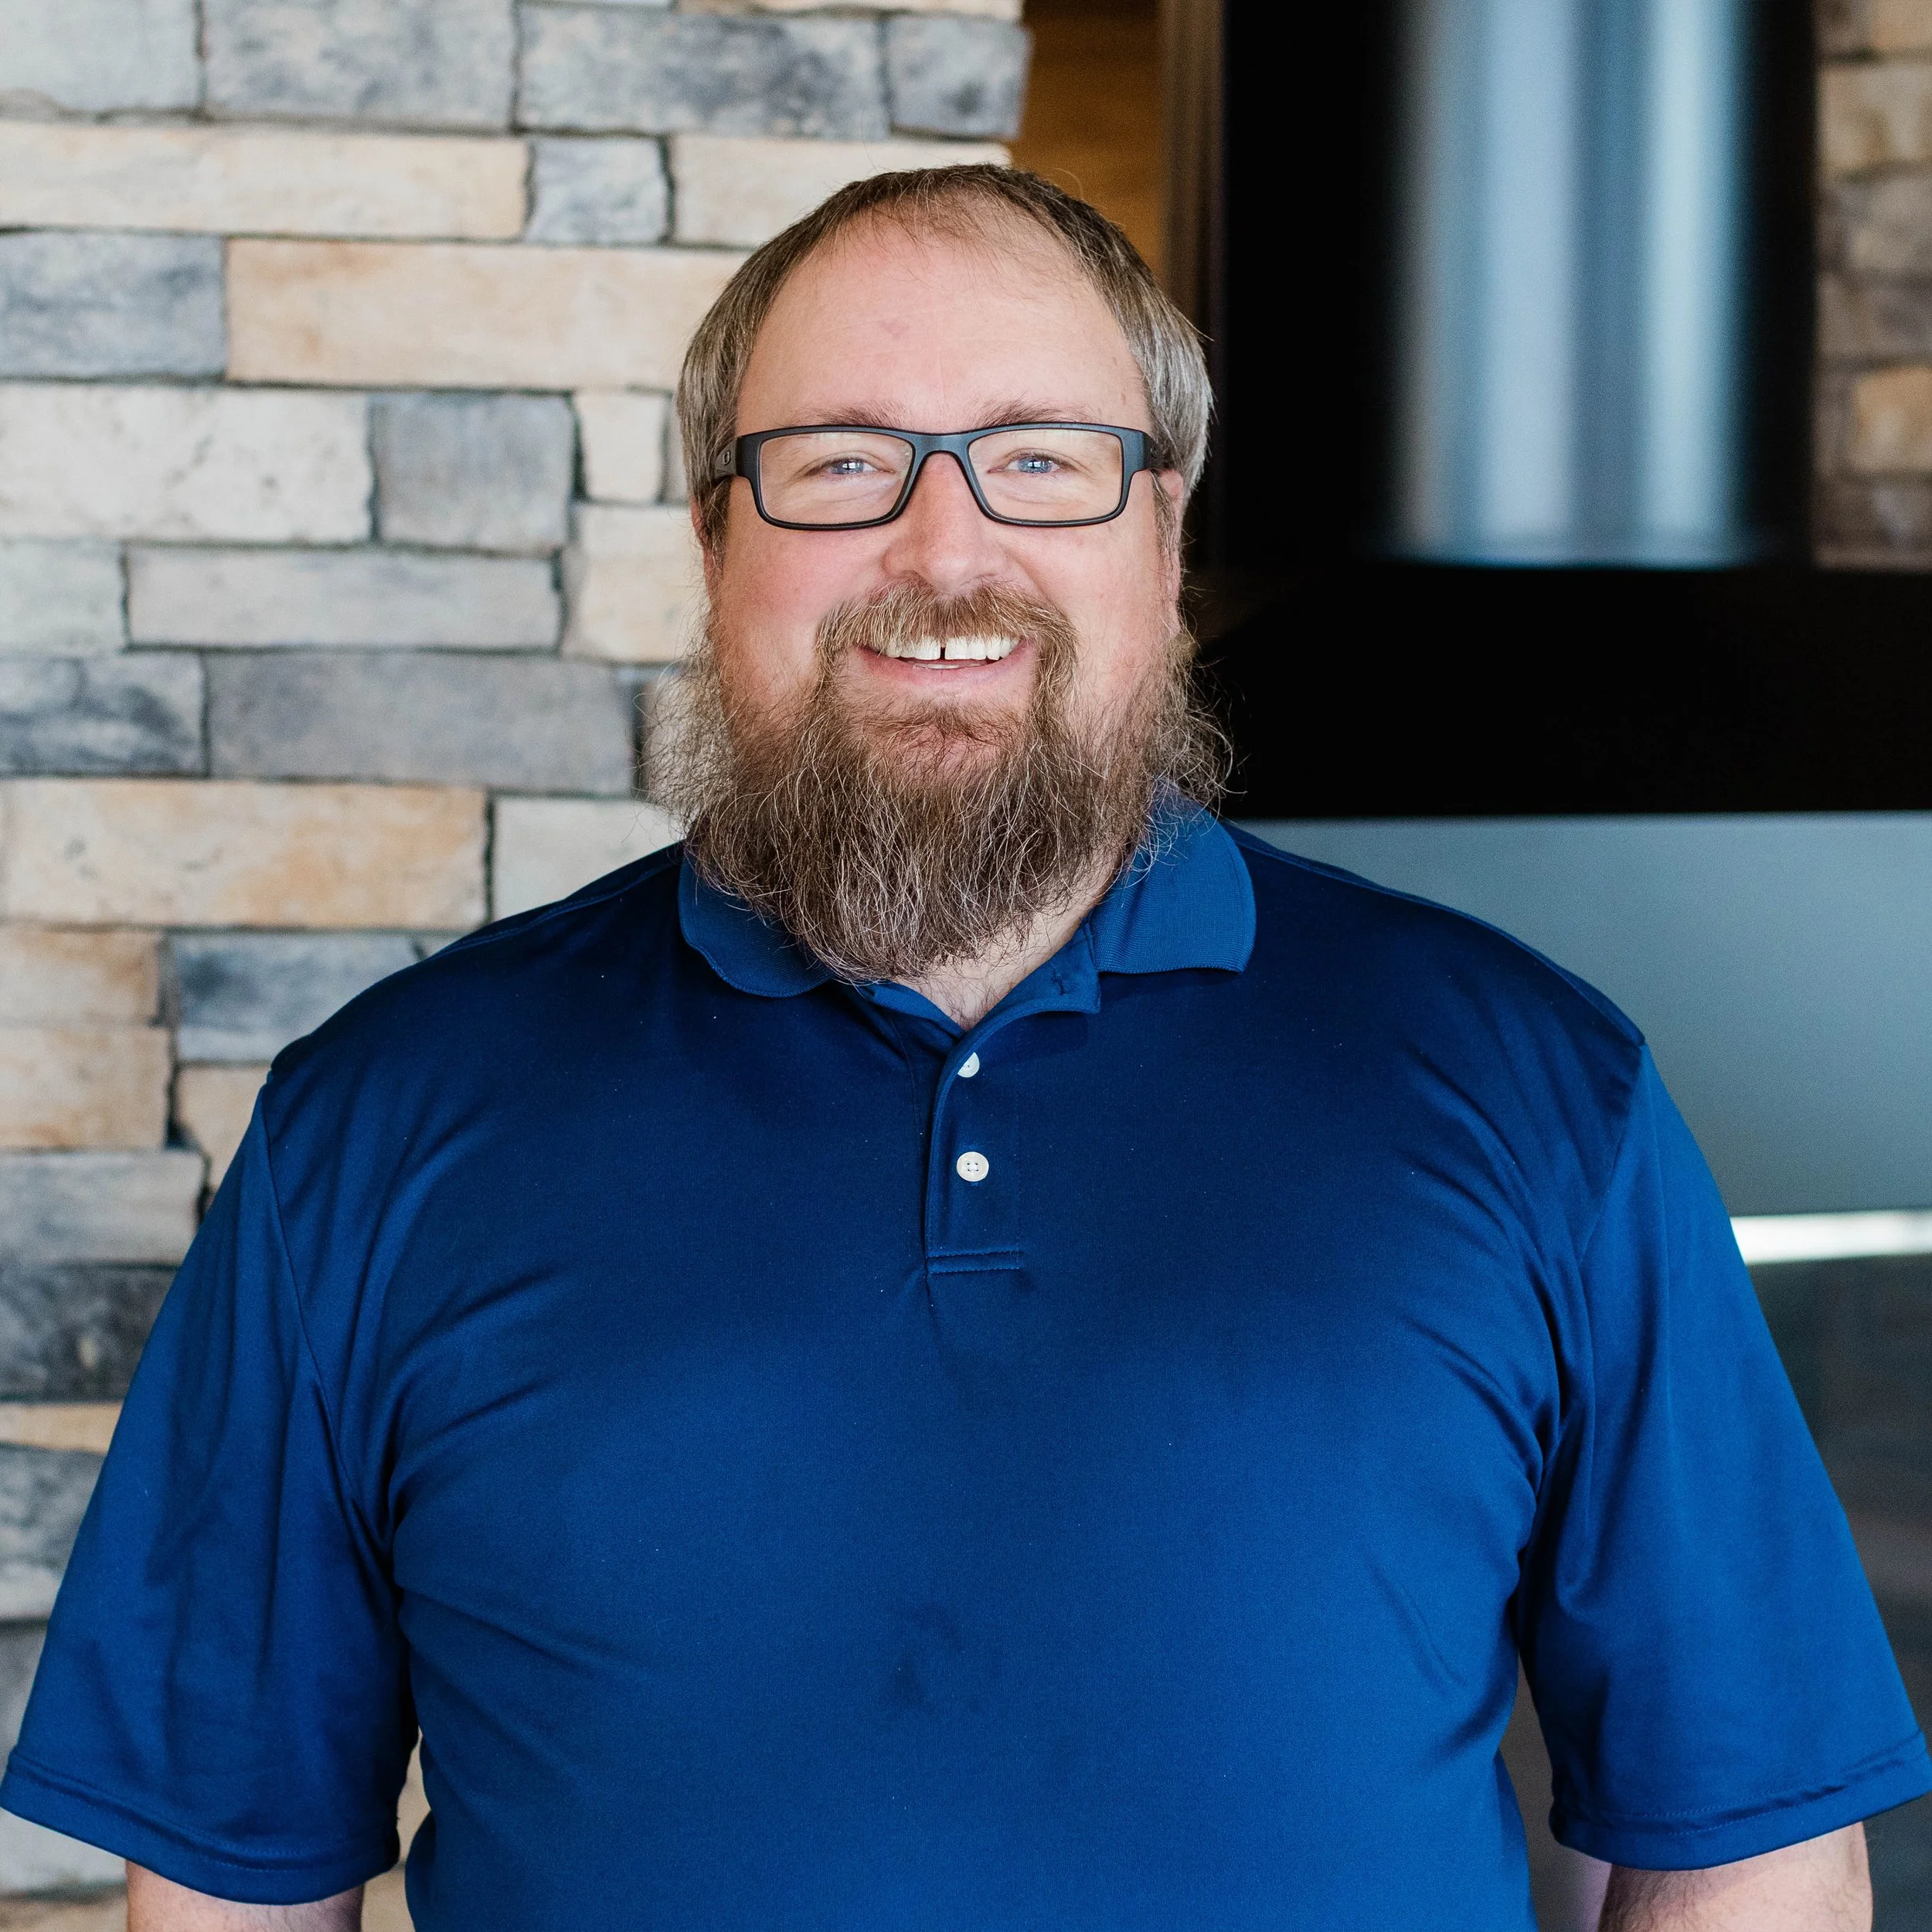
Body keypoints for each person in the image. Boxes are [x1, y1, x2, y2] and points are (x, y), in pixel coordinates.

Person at [3, 167, 1923, 1932]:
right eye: (839, 462)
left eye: (1040, 459)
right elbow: (234, 1863)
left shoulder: (1535, 1091)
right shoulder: (378, 1125)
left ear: (1161, 533)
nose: (946, 545)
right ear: (711, 539)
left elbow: (1740, 1835)